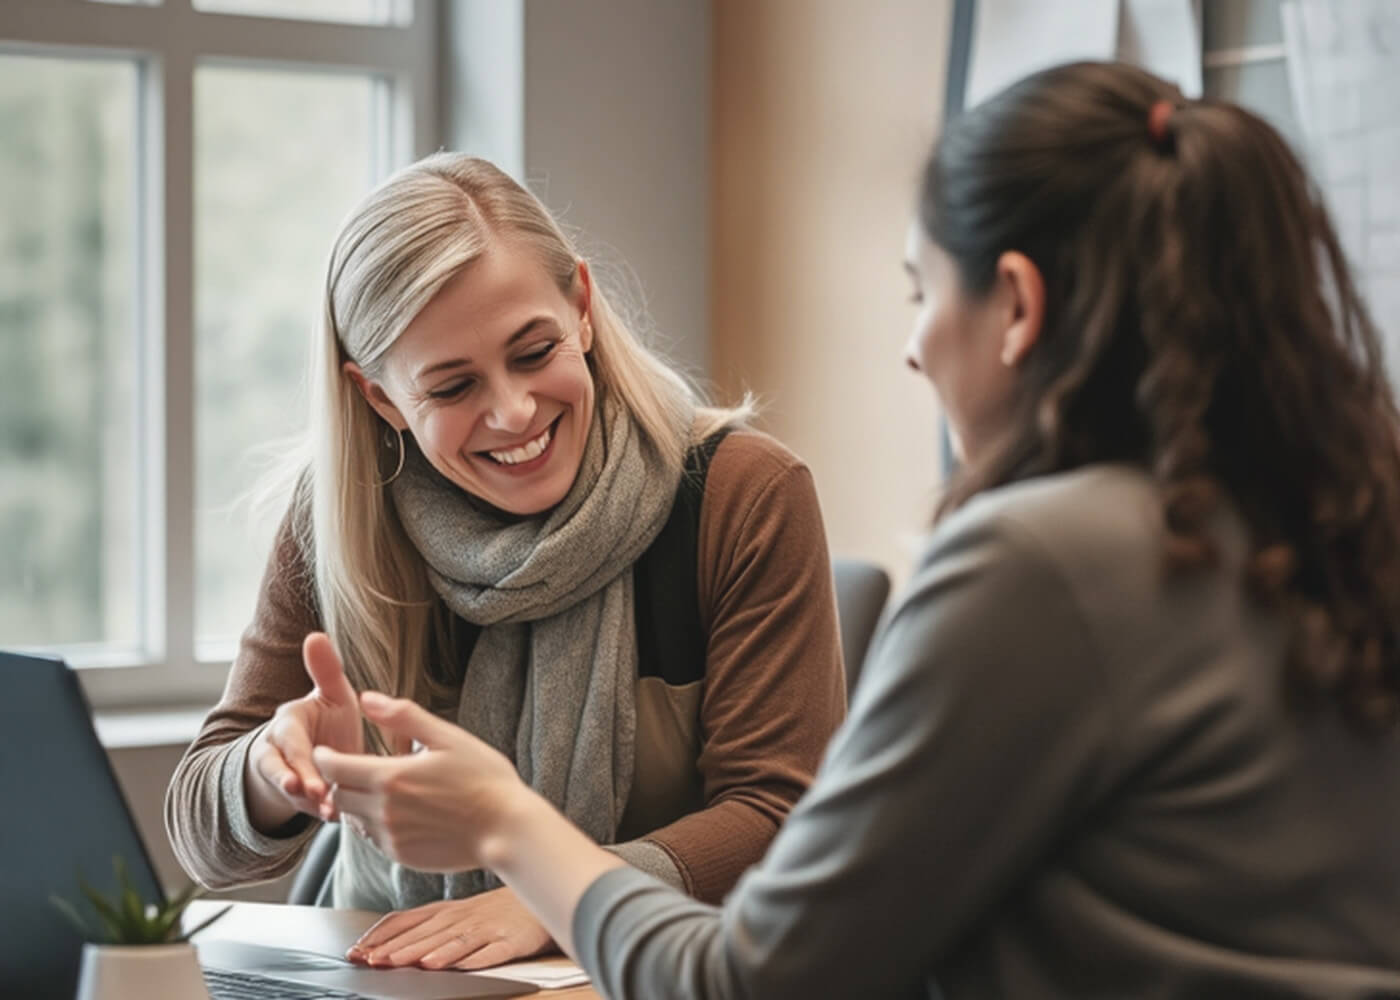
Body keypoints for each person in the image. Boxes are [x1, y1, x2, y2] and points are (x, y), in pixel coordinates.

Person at [310, 61, 1400, 998]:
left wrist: (508, 825)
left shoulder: (1038, 565)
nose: (914, 348)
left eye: (920, 290)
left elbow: (751, 979)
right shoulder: (1329, 514)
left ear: (1014, 305)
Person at [163, 154, 846, 972]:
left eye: (533, 352)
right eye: (451, 389)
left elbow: (779, 816)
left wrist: (561, 894)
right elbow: (204, 837)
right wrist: (277, 770)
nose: (513, 411)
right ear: (379, 399)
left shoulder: (742, 496)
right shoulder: (341, 516)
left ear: (582, 309)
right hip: (390, 973)